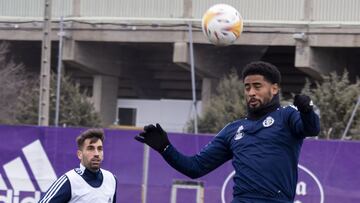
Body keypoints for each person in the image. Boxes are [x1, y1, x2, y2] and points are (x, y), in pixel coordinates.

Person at [135, 61, 320, 203]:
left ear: (274, 89)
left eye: (257, 86)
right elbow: (195, 168)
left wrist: (307, 110)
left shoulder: (288, 115)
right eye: (247, 87)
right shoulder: (233, 130)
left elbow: (311, 128)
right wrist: (166, 148)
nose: (251, 92)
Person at [39, 129, 117, 203]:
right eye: (90, 148)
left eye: (100, 149)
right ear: (80, 154)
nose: (96, 153)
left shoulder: (111, 179)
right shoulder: (69, 181)